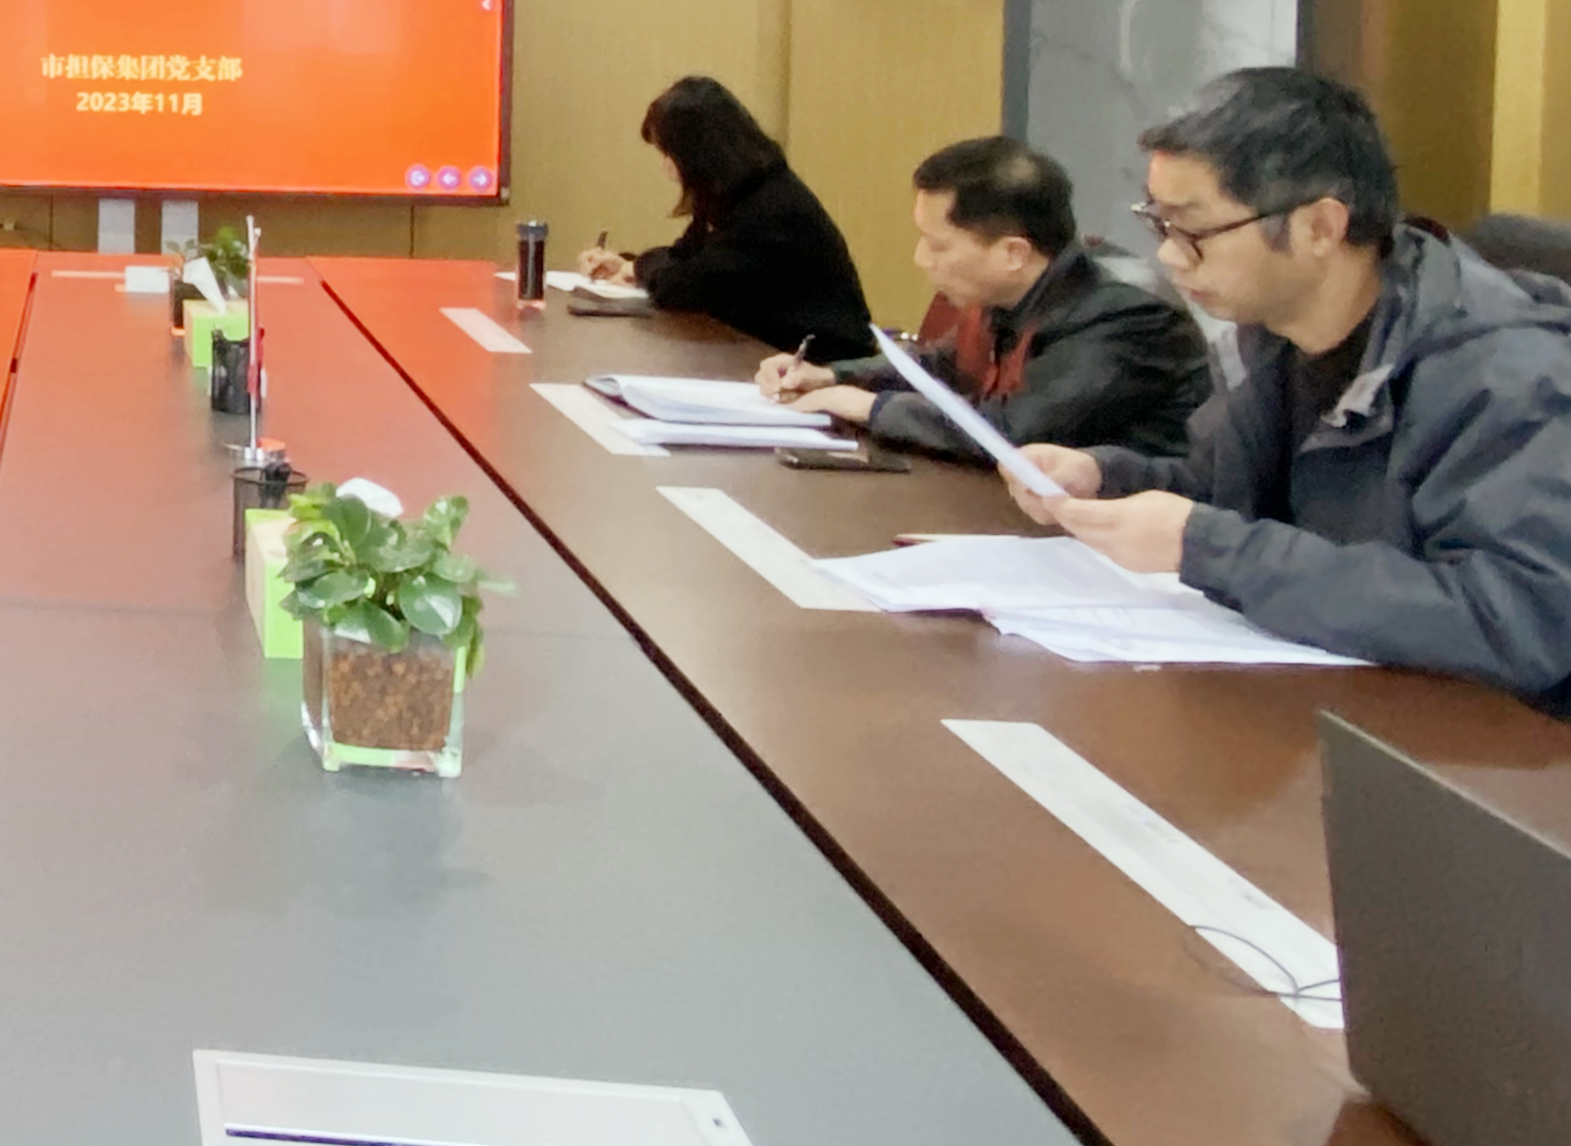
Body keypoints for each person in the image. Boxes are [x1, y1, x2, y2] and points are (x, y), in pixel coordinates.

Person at [1009, 68, 1571, 705]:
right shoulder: (1273, 336)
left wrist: (1210, 549)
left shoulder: (1506, 374)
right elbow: (1231, 496)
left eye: (1193, 231)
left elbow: (1518, 620)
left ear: (1320, 228)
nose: (1168, 256)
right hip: (1327, 696)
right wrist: (1107, 479)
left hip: (1479, 740)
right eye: (1159, 224)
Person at [758, 135, 1210, 460]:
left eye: (938, 245)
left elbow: (1014, 432)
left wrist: (867, 406)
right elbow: (941, 366)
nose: (921, 259)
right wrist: (831, 376)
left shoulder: (1128, 318)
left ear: (1013, 253)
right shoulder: (1008, 295)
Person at [578, 75, 871, 358]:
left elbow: (685, 286)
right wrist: (629, 266)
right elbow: (685, 256)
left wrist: (641, 267)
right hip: (768, 350)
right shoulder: (735, 191)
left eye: (667, 154)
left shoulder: (769, 208)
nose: (665, 166)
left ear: (696, 154)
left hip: (823, 362)